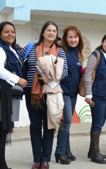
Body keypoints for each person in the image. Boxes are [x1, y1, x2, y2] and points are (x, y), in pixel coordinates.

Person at [19, 21, 68, 169]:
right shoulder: (31, 49)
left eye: (54, 31)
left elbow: (64, 70)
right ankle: (36, 159)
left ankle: (45, 159)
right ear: (43, 32)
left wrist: (51, 78)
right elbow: (16, 60)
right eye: (49, 30)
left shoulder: (60, 51)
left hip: (51, 92)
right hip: (32, 92)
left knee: (49, 126)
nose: (51, 33)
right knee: (35, 126)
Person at [0, 21, 28, 169]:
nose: (10, 34)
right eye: (6, 32)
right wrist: (18, 79)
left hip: (8, 94)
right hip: (2, 94)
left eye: (12, 31)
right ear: (0, 34)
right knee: (0, 130)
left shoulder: (11, 49)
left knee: (3, 130)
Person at [83, 33, 106, 164]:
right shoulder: (95, 55)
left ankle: (92, 151)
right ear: (102, 42)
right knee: (97, 123)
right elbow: (88, 74)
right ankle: (95, 154)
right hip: (96, 95)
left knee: (100, 122)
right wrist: (88, 94)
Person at [54, 26, 83, 165]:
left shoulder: (78, 53)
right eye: (70, 37)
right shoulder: (61, 52)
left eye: (75, 37)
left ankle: (67, 150)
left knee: (68, 123)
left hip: (73, 92)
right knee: (66, 122)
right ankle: (59, 152)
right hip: (64, 91)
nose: (73, 40)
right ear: (65, 38)